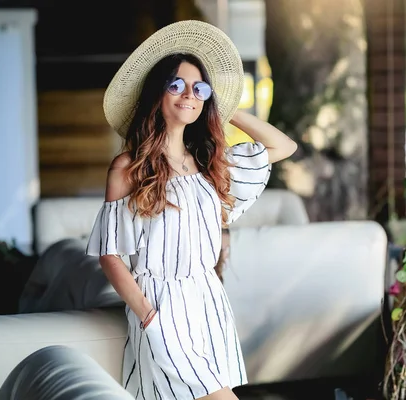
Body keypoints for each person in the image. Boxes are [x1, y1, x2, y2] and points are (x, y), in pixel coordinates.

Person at [85, 20, 297, 400]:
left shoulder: (208, 164)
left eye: (199, 88)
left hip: (207, 301)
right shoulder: (128, 168)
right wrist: (149, 316)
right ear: (157, 94)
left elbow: (282, 146)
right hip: (160, 305)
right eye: (176, 85)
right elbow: (110, 254)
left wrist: (224, 107)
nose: (189, 95)